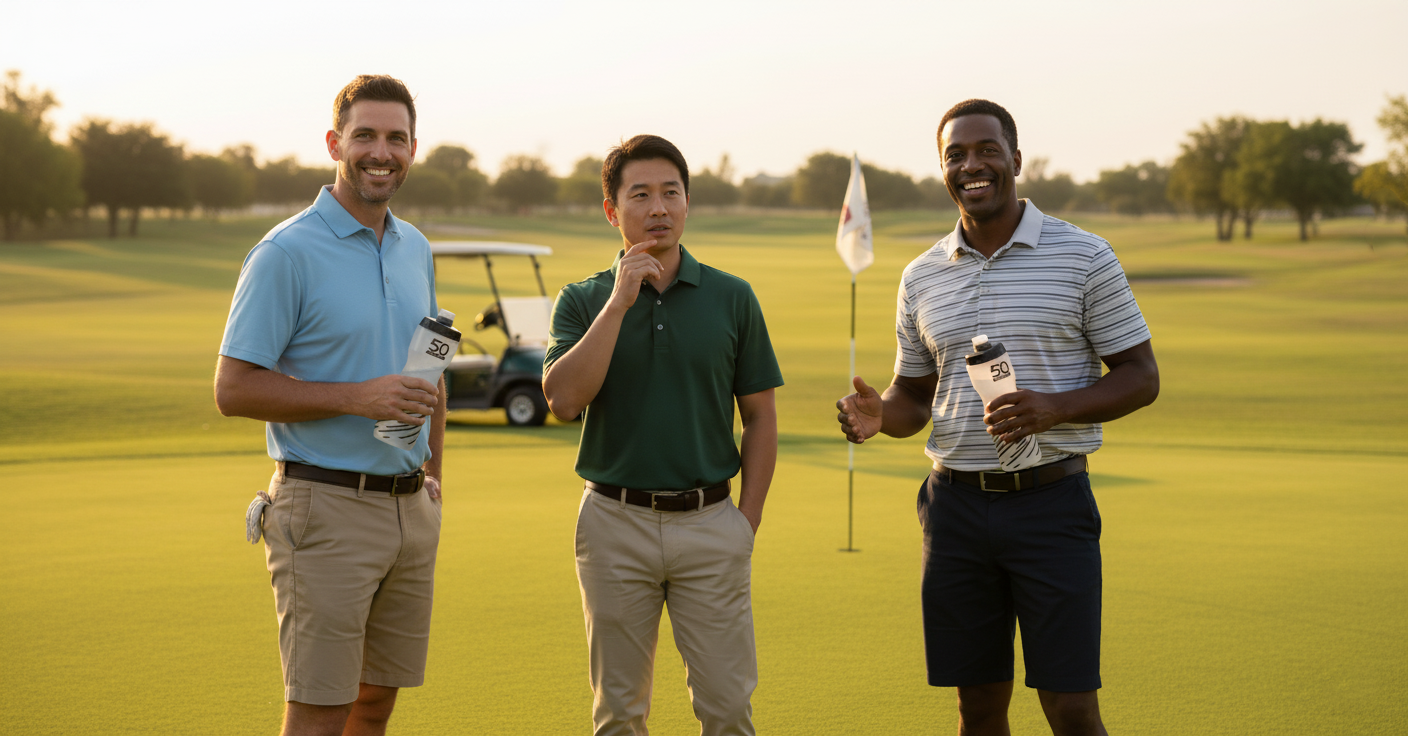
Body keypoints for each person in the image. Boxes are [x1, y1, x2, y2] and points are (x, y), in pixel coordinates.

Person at [835, 99, 1159, 736]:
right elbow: (913, 400)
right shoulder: (921, 275)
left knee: (1070, 707)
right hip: (953, 510)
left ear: (1016, 158)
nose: (971, 165)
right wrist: (881, 417)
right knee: (977, 706)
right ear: (943, 170)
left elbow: (1141, 377)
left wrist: (1053, 409)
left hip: (1051, 505)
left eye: (986, 150)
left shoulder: (1085, 256)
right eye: (955, 155)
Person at [214, 75, 445, 736]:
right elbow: (232, 389)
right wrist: (357, 397)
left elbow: (432, 372)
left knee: (374, 706)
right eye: (365, 135)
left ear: (412, 148)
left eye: (396, 138)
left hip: (409, 510)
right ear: (333, 143)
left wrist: (433, 478)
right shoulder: (285, 252)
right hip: (324, 508)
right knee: (319, 714)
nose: (382, 151)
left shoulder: (416, 248)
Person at [543, 134, 783, 736]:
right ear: (611, 210)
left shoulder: (733, 297)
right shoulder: (582, 300)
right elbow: (563, 401)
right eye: (640, 194)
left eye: (670, 193)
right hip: (613, 523)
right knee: (620, 714)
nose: (658, 208)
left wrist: (745, 520)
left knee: (727, 710)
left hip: (710, 522)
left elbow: (760, 416)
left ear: (686, 202)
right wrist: (619, 303)